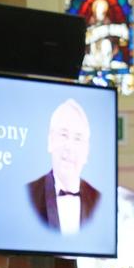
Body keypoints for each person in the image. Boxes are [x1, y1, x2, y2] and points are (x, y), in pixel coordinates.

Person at [27, 99, 100, 234]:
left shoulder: (98, 200)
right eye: (63, 135)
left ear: (86, 151)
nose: (69, 147)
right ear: (50, 141)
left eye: (77, 138)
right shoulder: (29, 194)